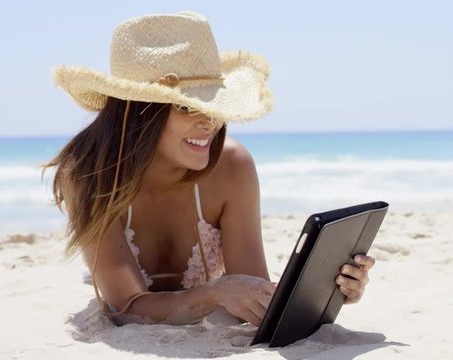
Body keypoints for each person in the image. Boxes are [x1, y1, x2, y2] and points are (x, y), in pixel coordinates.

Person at [43, 11, 375, 326]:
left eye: (213, 103)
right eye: (188, 106)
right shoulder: (89, 175)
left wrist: (327, 291)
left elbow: (251, 292)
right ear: (140, 111)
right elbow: (125, 308)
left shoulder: (232, 167)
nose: (210, 121)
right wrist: (215, 292)